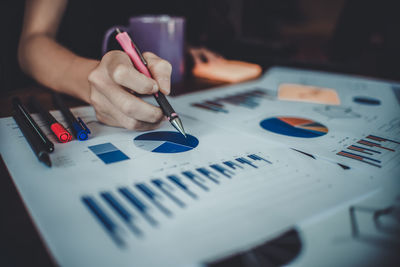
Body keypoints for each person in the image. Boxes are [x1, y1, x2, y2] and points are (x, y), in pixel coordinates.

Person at [18, 0, 221, 131]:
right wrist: (90, 78)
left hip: (179, 87)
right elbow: (32, 44)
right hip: (67, 97)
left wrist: (184, 49)